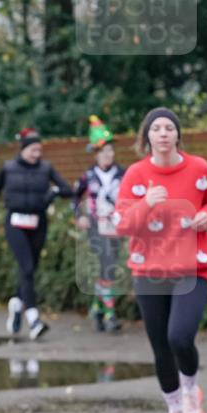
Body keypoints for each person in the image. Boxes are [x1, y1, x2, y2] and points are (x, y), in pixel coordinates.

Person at [113, 107, 207, 413]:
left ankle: (191, 389)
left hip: (192, 267)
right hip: (149, 270)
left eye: (169, 128)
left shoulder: (199, 168)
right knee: (160, 346)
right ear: (147, 136)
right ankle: (175, 410)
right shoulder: (136, 175)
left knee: (179, 337)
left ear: (178, 135)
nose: (163, 133)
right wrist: (146, 202)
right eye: (156, 128)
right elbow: (122, 224)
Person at [0, 127, 74, 340]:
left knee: (29, 270)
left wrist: (53, 193)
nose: (37, 154)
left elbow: (67, 189)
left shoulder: (46, 168)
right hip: (15, 223)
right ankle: (34, 319)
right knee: (27, 267)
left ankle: (16, 303)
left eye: (39, 150)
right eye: (33, 150)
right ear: (23, 149)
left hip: (38, 223)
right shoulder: (9, 168)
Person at [73, 115, 125, 333]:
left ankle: (96, 308)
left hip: (116, 225)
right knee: (107, 264)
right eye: (104, 152)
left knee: (110, 267)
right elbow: (74, 197)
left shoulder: (123, 173)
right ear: (96, 154)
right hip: (96, 225)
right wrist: (80, 216)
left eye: (111, 151)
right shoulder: (88, 176)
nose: (108, 155)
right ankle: (111, 315)